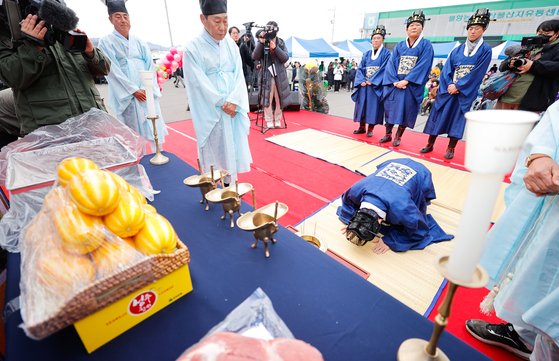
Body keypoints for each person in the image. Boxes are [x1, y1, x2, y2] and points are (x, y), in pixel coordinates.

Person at [465, 100, 559, 361]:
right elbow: (554, 122)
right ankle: (524, 334)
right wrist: (540, 155)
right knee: (537, 262)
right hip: (550, 202)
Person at [0, 2, 110, 142]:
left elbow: (104, 68)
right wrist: (33, 46)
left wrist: (90, 52)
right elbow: (13, 77)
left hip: (95, 126)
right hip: (51, 135)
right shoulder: (8, 34)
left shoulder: (64, 28)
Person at [183, 0, 252, 183]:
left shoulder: (231, 45)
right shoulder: (192, 48)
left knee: (232, 147)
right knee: (214, 148)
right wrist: (222, 102)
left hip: (232, 105)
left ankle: (231, 185)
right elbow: (197, 82)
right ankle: (212, 186)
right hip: (212, 108)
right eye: (217, 21)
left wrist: (235, 100)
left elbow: (239, 75)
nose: (222, 27)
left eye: (225, 21)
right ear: (203, 19)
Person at [338, 158, 453, 254]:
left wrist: (392, 241)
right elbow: (347, 203)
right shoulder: (355, 190)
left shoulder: (402, 208)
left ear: (379, 221)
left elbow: (419, 229)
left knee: (414, 202)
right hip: (392, 163)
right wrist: (352, 222)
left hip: (420, 172)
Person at [420, 8, 492, 160]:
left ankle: (451, 147)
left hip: (464, 92)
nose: (473, 31)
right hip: (448, 89)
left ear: (483, 30)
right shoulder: (457, 50)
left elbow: (478, 72)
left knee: (457, 120)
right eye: (471, 28)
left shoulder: (486, 50)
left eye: (477, 29)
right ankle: (430, 143)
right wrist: (450, 86)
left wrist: (459, 86)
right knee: (438, 115)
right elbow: (446, 70)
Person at [98, 0, 167, 148]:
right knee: (133, 132)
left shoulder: (140, 41)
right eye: (118, 16)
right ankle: (138, 161)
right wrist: (133, 90)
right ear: (110, 19)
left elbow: (149, 65)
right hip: (128, 94)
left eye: (125, 16)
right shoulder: (106, 42)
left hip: (146, 91)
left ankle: (158, 153)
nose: (123, 20)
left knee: (153, 125)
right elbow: (112, 70)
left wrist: (146, 87)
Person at [381, 10, 434, 147]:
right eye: (411, 25)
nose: (414, 27)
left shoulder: (426, 45)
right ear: (406, 29)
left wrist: (407, 80)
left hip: (410, 86)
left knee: (406, 111)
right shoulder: (400, 45)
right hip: (395, 84)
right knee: (390, 109)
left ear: (422, 27)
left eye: (417, 25)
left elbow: (424, 65)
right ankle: (387, 134)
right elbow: (391, 64)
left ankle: (398, 136)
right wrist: (394, 81)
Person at [496, 19, 559, 112]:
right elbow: (502, 67)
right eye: (539, 32)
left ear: (557, 34)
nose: (541, 35)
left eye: (546, 32)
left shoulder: (556, 49)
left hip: (530, 103)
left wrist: (533, 65)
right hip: (505, 97)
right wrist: (510, 63)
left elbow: (556, 68)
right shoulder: (530, 45)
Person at [351, 25, 391, 137]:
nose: (376, 40)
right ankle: (362, 126)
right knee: (362, 106)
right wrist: (361, 80)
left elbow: (385, 69)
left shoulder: (386, 54)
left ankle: (370, 129)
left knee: (373, 107)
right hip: (364, 85)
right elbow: (360, 68)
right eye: (374, 38)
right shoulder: (367, 54)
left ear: (383, 39)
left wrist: (373, 80)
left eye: (378, 38)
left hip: (375, 86)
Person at [252, 21, 290, 129]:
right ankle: (268, 120)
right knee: (267, 97)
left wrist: (275, 48)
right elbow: (255, 56)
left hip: (279, 74)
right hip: (266, 74)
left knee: (279, 98)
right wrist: (261, 42)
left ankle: (278, 119)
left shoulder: (281, 42)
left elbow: (285, 58)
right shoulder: (262, 41)